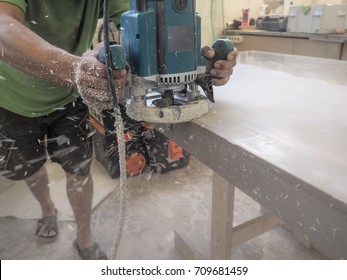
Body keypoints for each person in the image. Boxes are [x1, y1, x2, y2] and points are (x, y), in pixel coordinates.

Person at [0, 0, 238, 260]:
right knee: (31, 169)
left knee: (79, 171)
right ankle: (48, 210)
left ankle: (84, 237)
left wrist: (202, 63)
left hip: (69, 96)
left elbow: (138, 20)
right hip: (13, 99)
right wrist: (74, 68)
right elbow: (2, 26)